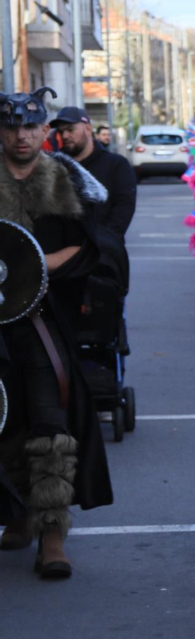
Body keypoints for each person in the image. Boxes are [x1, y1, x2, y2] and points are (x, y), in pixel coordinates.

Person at [0, 90, 112, 580]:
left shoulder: (65, 179)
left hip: (43, 322)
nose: (21, 136)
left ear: (44, 130)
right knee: (5, 422)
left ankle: (51, 535)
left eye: (30, 127)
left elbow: (91, 245)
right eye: (11, 127)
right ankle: (18, 513)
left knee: (50, 423)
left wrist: (37, 266)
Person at [52, 106, 136, 241]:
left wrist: (102, 243)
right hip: (61, 249)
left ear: (88, 128)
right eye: (61, 131)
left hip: (104, 248)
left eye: (70, 129)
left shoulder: (116, 165)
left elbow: (123, 210)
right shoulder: (53, 164)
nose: (65, 136)